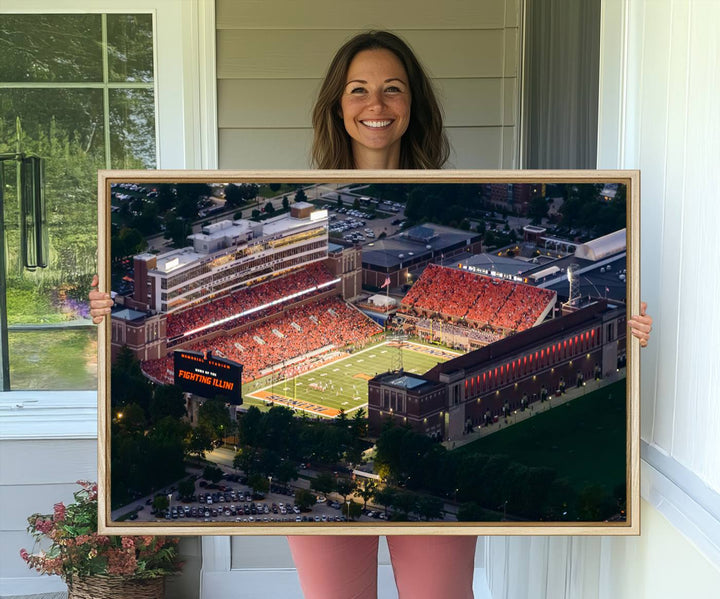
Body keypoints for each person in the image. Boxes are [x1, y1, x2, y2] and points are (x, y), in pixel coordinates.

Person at [89, 30, 653, 599]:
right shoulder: (303, 194)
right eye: (358, 90)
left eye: (393, 89)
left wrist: (630, 330)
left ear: (414, 104)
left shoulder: (461, 182)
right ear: (337, 104)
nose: (376, 105)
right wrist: (106, 316)